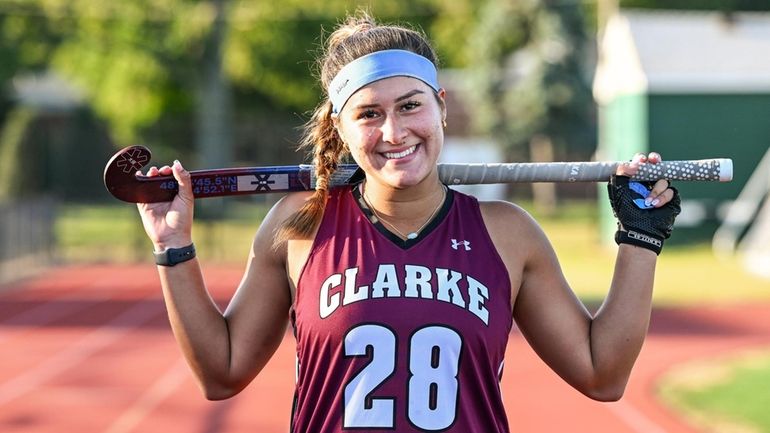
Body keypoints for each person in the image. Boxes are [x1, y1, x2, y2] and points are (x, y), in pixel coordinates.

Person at [136, 13, 681, 433]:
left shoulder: (508, 233)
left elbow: (602, 375)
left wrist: (640, 237)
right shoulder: (300, 227)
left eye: (411, 106)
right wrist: (173, 245)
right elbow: (222, 372)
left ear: (441, 107)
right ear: (340, 127)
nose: (394, 132)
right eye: (369, 113)